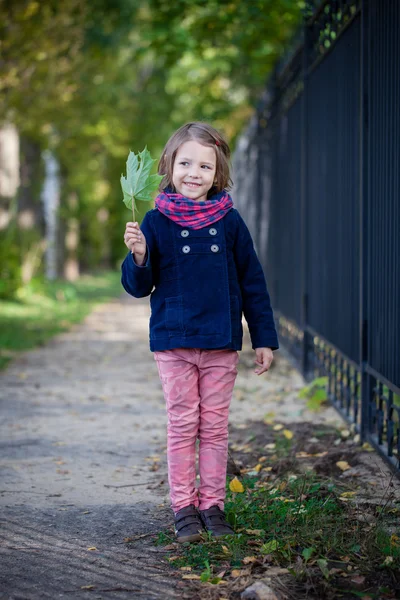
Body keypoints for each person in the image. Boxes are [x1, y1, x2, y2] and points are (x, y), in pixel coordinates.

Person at [121, 122, 279, 543]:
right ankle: (184, 509)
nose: (194, 173)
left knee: (213, 426)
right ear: (170, 166)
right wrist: (138, 255)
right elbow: (138, 287)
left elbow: (253, 282)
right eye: (186, 163)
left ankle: (213, 506)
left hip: (221, 341)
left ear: (218, 172)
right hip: (174, 340)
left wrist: (262, 337)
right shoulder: (154, 222)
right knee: (182, 424)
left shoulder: (229, 221)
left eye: (205, 166)